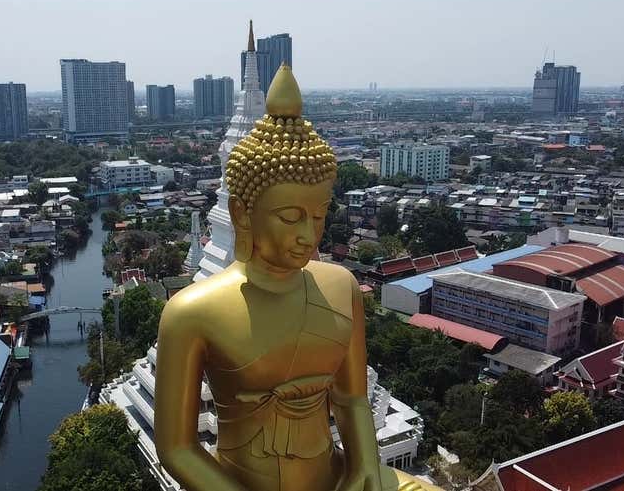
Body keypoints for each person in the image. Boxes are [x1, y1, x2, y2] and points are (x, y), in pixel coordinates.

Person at [154, 65, 437, 491]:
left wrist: (362, 468)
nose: (309, 235)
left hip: (332, 473)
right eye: (290, 217)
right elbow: (176, 449)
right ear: (241, 214)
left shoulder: (341, 286)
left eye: (319, 215)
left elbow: (351, 397)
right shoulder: (191, 312)